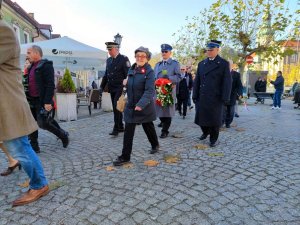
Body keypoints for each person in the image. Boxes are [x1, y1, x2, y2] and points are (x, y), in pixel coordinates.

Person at [0, 6, 49, 206]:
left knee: (19, 147)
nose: (29, 53)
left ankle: (39, 184)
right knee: (17, 145)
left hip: (8, 103)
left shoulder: (3, 30)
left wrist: (46, 101)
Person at [113, 47, 159, 166]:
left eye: (143, 56)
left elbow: (149, 91)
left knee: (148, 126)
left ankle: (155, 144)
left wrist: (140, 104)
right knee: (128, 131)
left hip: (144, 107)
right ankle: (125, 156)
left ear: (147, 58)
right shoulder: (131, 69)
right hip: (131, 107)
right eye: (138, 55)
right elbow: (129, 87)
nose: (140, 58)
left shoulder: (150, 72)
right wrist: (125, 84)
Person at [25, 45, 69, 153]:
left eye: (29, 52)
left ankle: (63, 135)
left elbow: (50, 85)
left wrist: (48, 102)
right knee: (31, 124)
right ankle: (35, 147)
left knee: (43, 123)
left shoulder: (46, 65)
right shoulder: (30, 67)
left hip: (42, 101)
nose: (27, 55)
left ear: (36, 53)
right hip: (31, 100)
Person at [193, 40, 232, 147]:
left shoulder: (223, 64)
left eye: (211, 50)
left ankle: (213, 139)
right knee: (201, 118)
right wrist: (194, 94)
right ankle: (205, 132)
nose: (209, 52)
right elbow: (197, 81)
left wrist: (225, 97)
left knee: (215, 120)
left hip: (216, 97)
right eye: (207, 50)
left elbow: (227, 82)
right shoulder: (202, 64)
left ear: (217, 50)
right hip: (203, 96)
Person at [100, 42, 131, 136]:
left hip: (120, 88)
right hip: (112, 87)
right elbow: (106, 75)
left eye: (110, 49)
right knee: (115, 108)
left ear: (116, 49)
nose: (109, 52)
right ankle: (121, 126)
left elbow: (128, 74)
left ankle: (116, 128)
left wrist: (127, 86)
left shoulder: (124, 59)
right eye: (108, 50)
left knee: (117, 107)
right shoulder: (109, 60)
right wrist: (101, 87)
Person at [154, 44, 181, 138]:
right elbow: (154, 77)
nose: (164, 53)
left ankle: (165, 131)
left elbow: (179, 77)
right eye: (162, 51)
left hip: (168, 91)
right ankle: (163, 122)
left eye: (166, 51)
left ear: (170, 53)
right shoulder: (157, 65)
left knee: (167, 112)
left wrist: (169, 78)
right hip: (158, 91)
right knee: (159, 111)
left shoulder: (175, 64)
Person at [223, 61, 243, 128]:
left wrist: (240, 93)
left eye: (230, 65)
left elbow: (239, 85)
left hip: (232, 95)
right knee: (223, 111)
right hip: (223, 95)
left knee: (231, 112)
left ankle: (228, 123)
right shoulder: (222, 73)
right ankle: (222, 122)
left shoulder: (236, 74)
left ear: (232, 66)